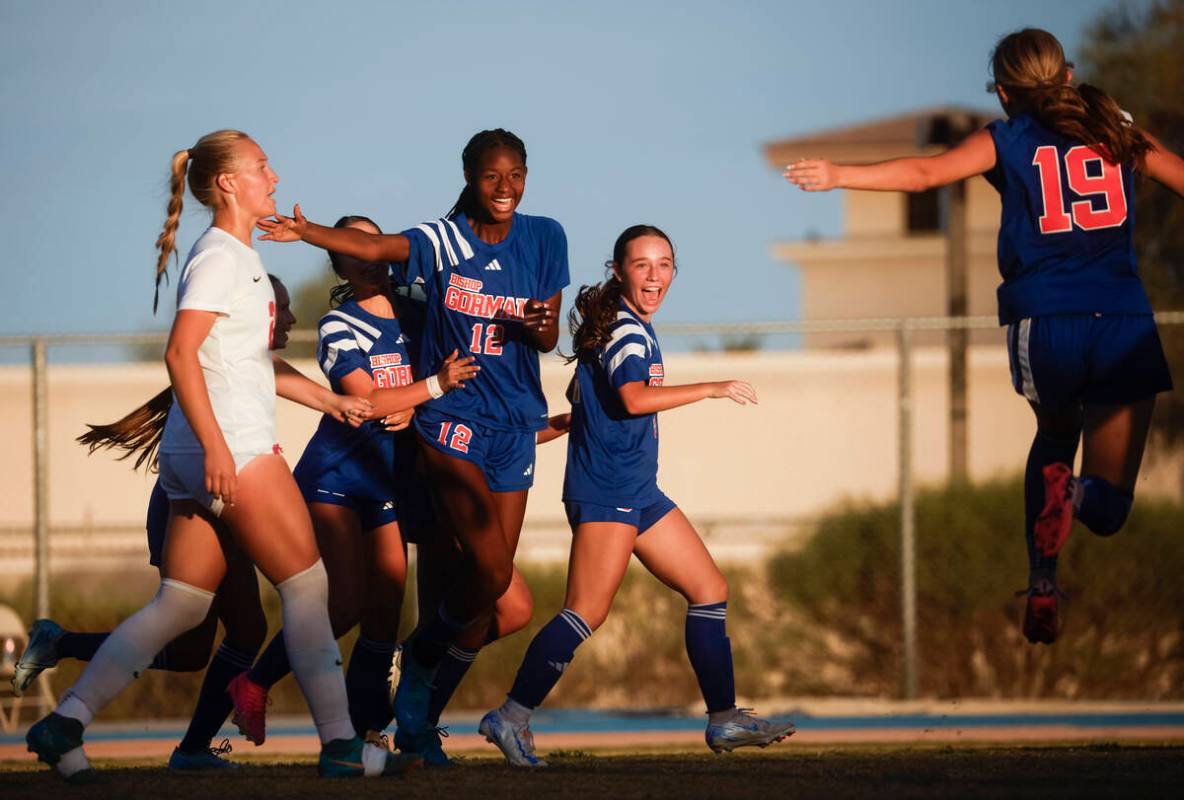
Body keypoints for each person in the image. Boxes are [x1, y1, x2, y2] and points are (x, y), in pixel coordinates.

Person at [25, 129, 419, 782]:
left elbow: (247, 361)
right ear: (230, 183)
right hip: (230, 446)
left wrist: (330, 404)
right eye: (263, 167)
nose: (276, 176)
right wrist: (215, 447)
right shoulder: (221, 258)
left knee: (179, 607)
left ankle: (64, 722)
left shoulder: (240, 256)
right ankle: (343, 746)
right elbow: (180, 354)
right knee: (309, 586)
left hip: (197, 450)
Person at [784, 28, 1184, 644]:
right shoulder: (1114, 125)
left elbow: (923, 174)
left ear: (1002, 93)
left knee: (1055, 432)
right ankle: (1073, 494)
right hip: (1120, 321)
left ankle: (1043, 577)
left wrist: (839, 173)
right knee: (1106, 508)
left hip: (1042, 321)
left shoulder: (1007, 136)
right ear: (1068, 77)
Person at [257, 129, 569, 752]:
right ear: (470, 177)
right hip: (440, 428)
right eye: (490, 176)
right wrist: (310, 231)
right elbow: (373, 248)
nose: (504, 188)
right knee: (469, 575)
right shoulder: (437, 243)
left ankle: (417, 690)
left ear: (528, 175)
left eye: (515, 175)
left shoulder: (546, 236)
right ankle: (386, 689)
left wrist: (540, 328)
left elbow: (544, 332)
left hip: (508, 424)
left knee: (493, 590)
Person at [479, 225, 795, 767]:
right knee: (585, 612)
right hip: (608, 491)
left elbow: (586, 395)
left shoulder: (622, 326)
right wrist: (711, 387)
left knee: (709, 588)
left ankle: (724, 721)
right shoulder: (625, 329)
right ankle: (510, 716)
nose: (655, 275)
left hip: (636, 488)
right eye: (642, 265)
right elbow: (630, 398)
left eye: (664, 264)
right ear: (619, 270)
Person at [11, 274, 295, 770]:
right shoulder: (224, 371)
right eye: (281, 308)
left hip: (205, 502)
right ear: (255, 315)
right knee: (246, 629)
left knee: (194, 651)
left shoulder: (241, 369)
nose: (288, 318)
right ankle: (188, 749)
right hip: (193, 506)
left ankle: (65, 645)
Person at [226, 215, 477, 749]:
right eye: (353, 248)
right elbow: (365, 404)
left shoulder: (419, 306)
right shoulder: (341, 325)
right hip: (335, 476)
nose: (368, 254)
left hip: (386, 479)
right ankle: (253, 681)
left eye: (373, 242)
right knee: (345, 604)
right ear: (338, 261)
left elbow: (444, 378)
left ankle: (366, 735)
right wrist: (428, 388)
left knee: (385, 611)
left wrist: (424, 399)